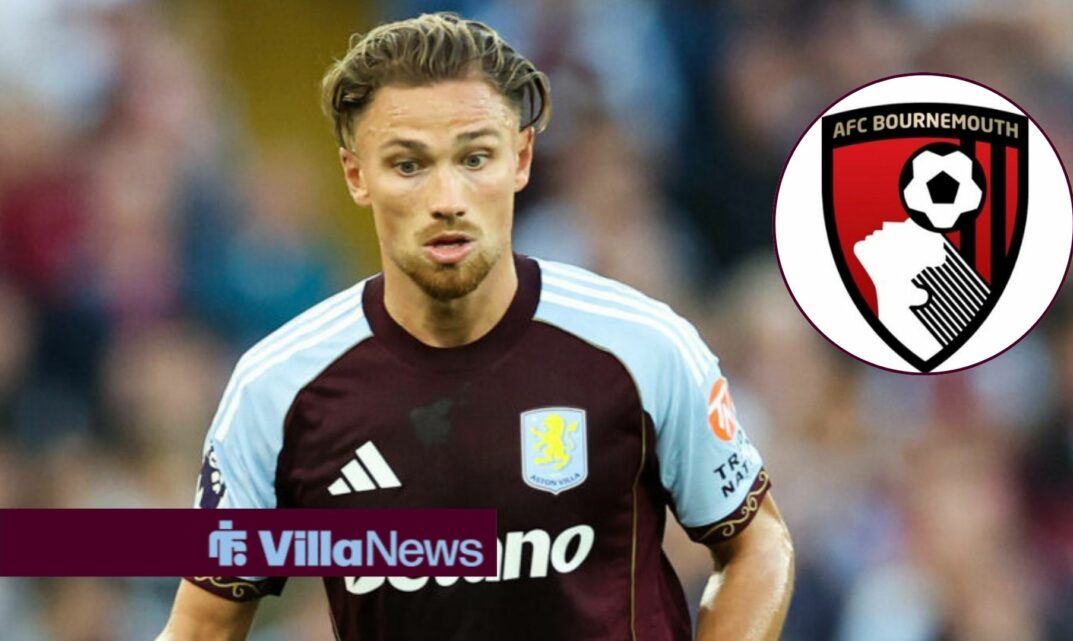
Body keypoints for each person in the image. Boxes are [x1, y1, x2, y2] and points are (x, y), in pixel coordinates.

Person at [157, 12, 793, 641]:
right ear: (357, 176)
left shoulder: (642, 348)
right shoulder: (277, 390)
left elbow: (756, 544)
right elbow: (203, 627)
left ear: (520, 160)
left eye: (476, 158)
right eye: (409, 165)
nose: (448, 198)